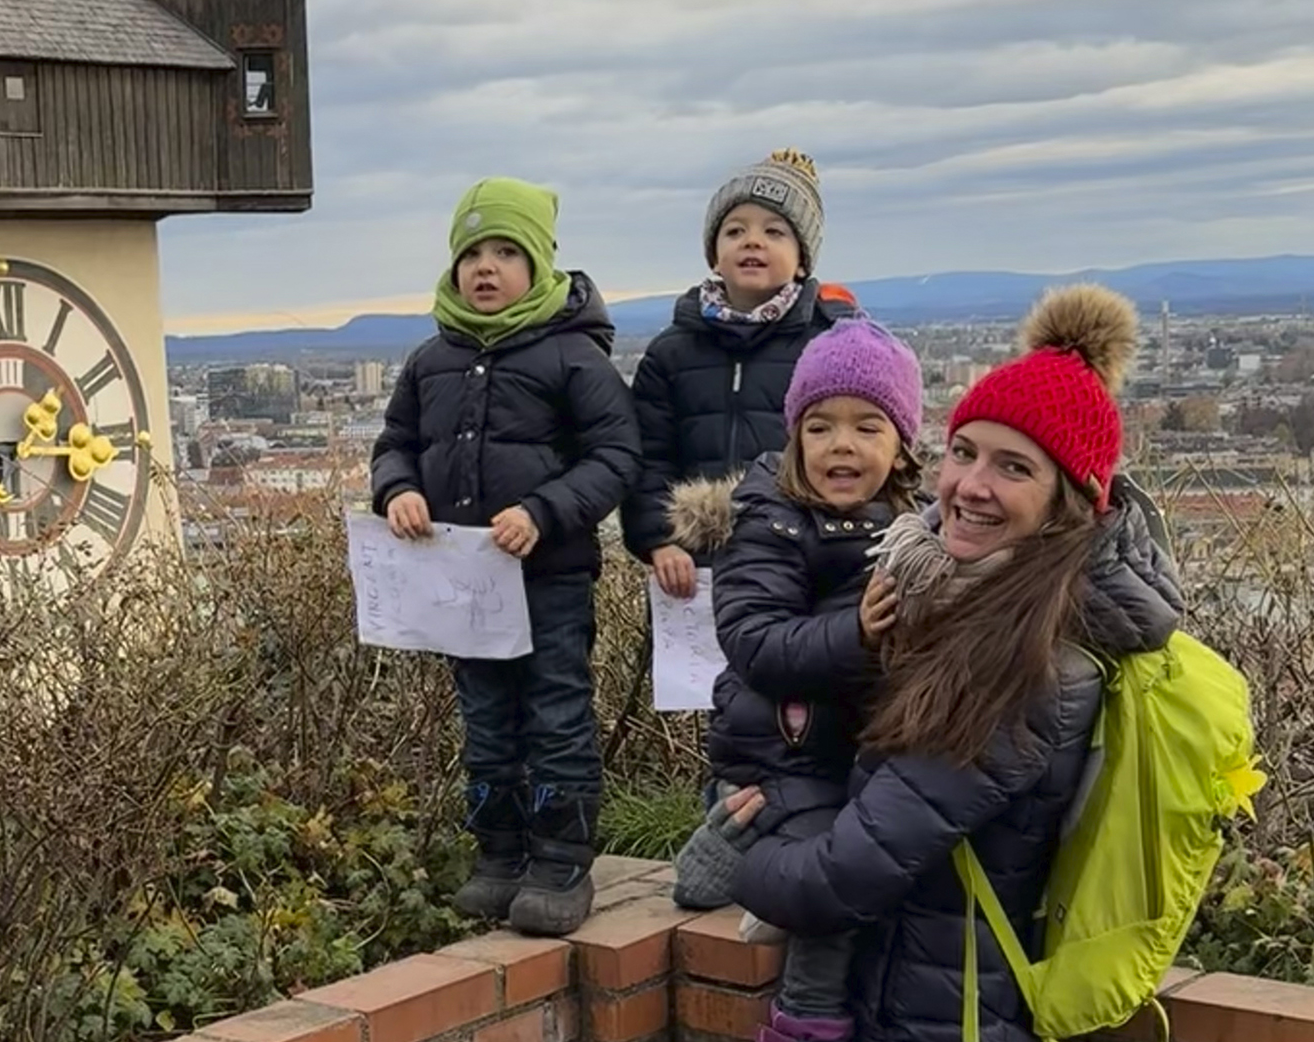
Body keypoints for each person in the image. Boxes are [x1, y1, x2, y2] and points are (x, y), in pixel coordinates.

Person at [677, 283, 1185, 1042]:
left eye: (1014, 468)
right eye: (966, 452)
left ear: (1070, 501)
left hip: (940, 1013)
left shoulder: (1027, 662)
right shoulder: (961, 596)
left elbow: (837, 880)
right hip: (920, 990)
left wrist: (730, 850)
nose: (969, 487)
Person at [370, 177, 640, 936]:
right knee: (485, 720)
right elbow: (395, 445)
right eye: (472, 254)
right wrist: (397, 491)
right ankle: (498, 854)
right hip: (463, 582)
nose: (485, 269)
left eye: (506, 253)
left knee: (555, 715)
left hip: (549, 578)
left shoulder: (573, 357)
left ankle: (559, 863)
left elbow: (616, 454)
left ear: (541, 265)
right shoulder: (431, 360)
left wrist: (545, 512)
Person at [662, 319, 927, 1028]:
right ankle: (803, 1019)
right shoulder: (768, 523)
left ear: (903, 443)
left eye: (869, 426)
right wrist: (859, 632)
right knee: (831, 884)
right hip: (783, 755)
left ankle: (732, 843)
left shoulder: (919, 527)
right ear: (794, 439)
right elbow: (756, 642)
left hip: (868, 756)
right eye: (820, 427)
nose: (842, 444)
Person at [623, 149, 856, 598]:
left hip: (801, 562)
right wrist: (658, 540)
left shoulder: (829, 348)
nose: (753, 241)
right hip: (692, 572)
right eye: (735, 230)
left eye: (775, 232)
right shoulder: (672, 352)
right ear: (715, 254)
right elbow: (648, 458)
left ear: (803, 259)